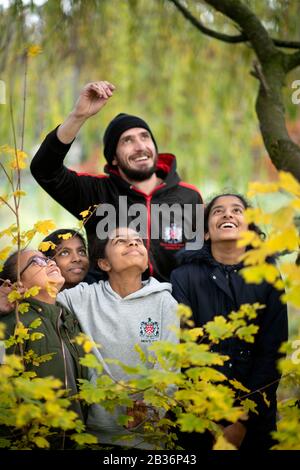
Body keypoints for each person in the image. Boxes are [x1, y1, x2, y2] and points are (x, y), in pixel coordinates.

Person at [30, 81, 203, 282]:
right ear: (113, 158)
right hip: (109, 307)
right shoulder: (96, 192)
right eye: (127, 140)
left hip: (173, 305)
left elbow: (199, 261)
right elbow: (44, 169)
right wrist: (78, 116)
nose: (140, 146)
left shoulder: (189, 196)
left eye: (145, 137)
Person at [170, 193, 288, 450]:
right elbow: (185, 350)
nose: (227, 214)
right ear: (206, 234)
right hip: (199, 415)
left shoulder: (268, 276)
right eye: (218, 211)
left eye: (237, 210)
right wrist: (214, 421)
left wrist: (242, 420)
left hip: (256, 414)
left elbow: (273, 352)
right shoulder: (183, 277)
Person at [56, 226, 179, 448]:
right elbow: (40, 297)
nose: (133, 244)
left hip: (147, 434)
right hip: (94, 431)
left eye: (138, 242)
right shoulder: (85, 296)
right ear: (104, 264)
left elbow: (169, 365)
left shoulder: (164, 301)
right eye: (120, 241)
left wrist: (150, 405)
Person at [0, 249, 89, 446]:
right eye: (36, 261)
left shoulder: (69, 320)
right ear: (16, 284)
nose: (49, 262)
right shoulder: (12, 326)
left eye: (47, 258)